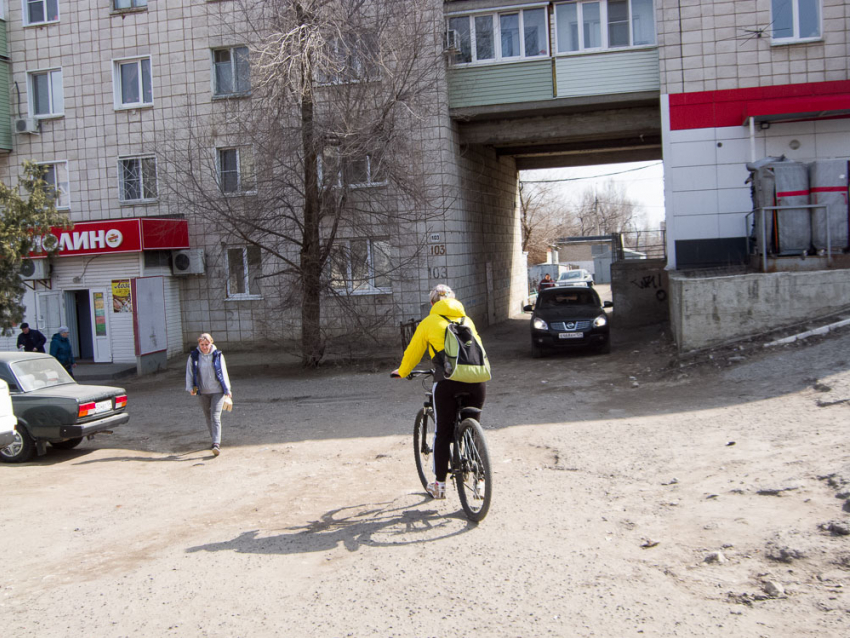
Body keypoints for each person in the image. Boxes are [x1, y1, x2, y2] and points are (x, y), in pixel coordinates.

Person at [392, 284, 487, 500]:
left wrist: (402, 371)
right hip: (478, 381)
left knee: (442, 432)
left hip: (448, 382)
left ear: (433, 303)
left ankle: (439, 485)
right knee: (473, 428)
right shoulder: (467, 320)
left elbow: (413, 351)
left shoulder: (429, 322)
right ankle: (481, 480)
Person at [185, 333, 232, 457]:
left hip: (218, 391)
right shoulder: (193, 356)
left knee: (215, 416)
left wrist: (227, 389)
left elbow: (223, 372)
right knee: (207, 416)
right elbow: (190, 372)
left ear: (211, 343)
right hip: (202, 391)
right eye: (202, 345)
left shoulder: (218, 355)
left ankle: (216, 443)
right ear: (198, 344)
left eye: (207, 344)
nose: (204, 347)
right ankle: (214, 438)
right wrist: (190, 387)